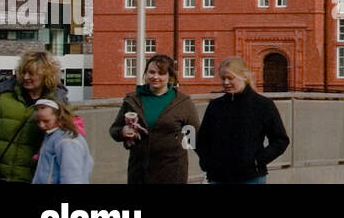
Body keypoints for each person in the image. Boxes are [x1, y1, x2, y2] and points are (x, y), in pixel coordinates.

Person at [195, 58, 290, 184]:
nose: (226, 82)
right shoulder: (215, 106)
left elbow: (280, 140)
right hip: (218, 177)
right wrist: (207, 162)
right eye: (223, 79)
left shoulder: (263, 105)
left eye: (230, 78)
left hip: (251, 177)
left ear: (244, 77)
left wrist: (258, 160)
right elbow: (203, 140)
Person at [109, 54, 200, 184]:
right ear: (145, 74)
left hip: (171, 173)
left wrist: (210, 163)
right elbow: (114, 130)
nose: (155, 77)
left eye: (161, 73)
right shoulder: (132, 100)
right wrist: (122, 132)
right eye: (151, 72)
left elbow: (196, 137)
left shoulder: (183, 102)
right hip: (140, 172)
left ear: (170, 77)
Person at [0, 50, 70, 182]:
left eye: (31, 73)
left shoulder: (57, 103)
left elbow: (66, 139)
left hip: (33, 177)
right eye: (23, 72)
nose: (26, 77)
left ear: (46, 75)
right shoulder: (2, 95)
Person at [30, 98, 92, 184]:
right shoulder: (54, 136)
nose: (41, 125)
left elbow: (72, 177)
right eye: (38, 121)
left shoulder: (67, 141)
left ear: (59, 117)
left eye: (46, 121)